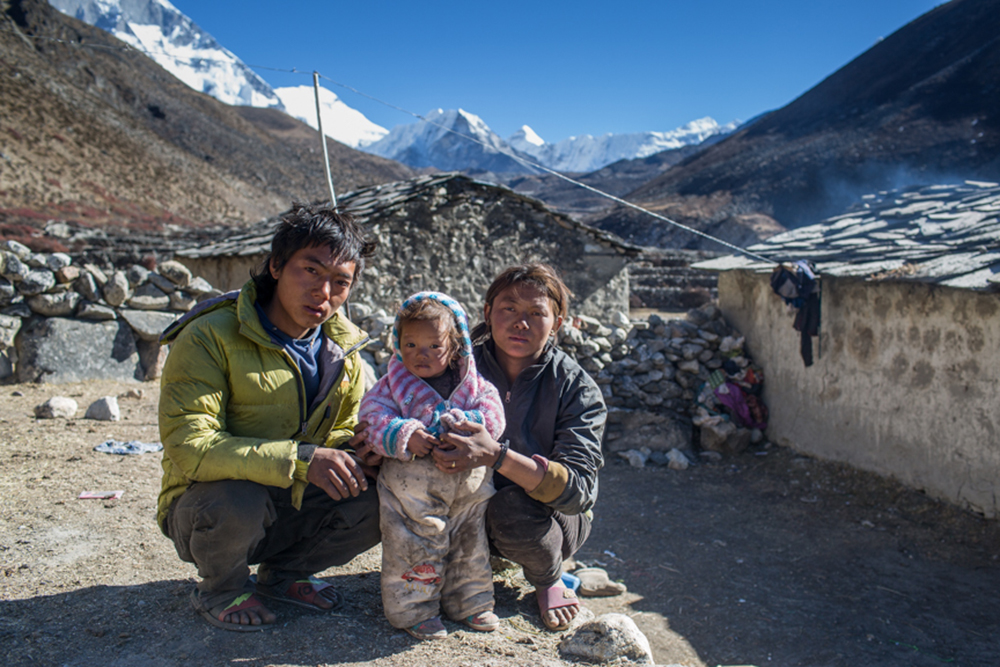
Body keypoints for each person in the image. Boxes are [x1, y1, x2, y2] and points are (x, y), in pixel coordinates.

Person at [157, 204, 381, 631]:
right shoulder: (210, 336)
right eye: (311, 271)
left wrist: (366, 452)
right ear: (276, 266)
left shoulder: (344, 352)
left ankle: (285, 574)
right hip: (208, 506)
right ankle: (221, 588)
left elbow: (342, 434)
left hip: (290, 500)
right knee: (238, 498)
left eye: (340, 281)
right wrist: (300, 461)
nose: (324, 292)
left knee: (376, 492)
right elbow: (191, 447)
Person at [427, 264, 606, 631]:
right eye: (509, 308)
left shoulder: (577, 389)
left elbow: (579, 493)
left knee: (512, 507)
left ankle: (548, 577)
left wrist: (497, 456)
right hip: (464, 503)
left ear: (556, 323)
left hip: (546, 518)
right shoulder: (455, 368)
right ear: (488, 312)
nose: (520, 322)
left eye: (536, 313)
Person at [358, 292, 506, 640]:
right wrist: (404, 434)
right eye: (409, 344)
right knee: (413, 546)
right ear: (397, 342)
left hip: (467, 490)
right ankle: (414, 609)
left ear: (455, 346)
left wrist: (468, 423)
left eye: (432, 346)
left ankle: (471, 602)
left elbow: (494, 415)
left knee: (469, 545)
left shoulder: (475, 386)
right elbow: (372, 419)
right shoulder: (391, 386)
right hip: (412, 496)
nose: (419, 355)